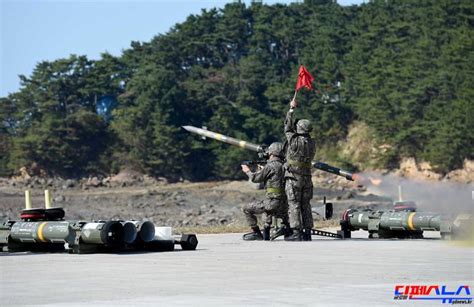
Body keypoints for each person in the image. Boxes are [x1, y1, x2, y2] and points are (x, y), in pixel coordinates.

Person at [241, 142, 290, 241]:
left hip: (272, 203)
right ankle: (286, 229)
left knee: (246, 208)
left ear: (271, 153)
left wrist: (247, 171)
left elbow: (255, 178)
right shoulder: (284, 165)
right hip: (284, 205)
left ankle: (256, 233)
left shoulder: (270, 166)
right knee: (268, 209)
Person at [283, 99, 316, 241]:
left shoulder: (294, 140)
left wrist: (291, 109)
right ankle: (307, 232)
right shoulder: (312, 143)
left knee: (294, 204)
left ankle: (296, 232)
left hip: (294, 177)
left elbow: (287, 127)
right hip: (307, 178)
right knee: (305, 204)